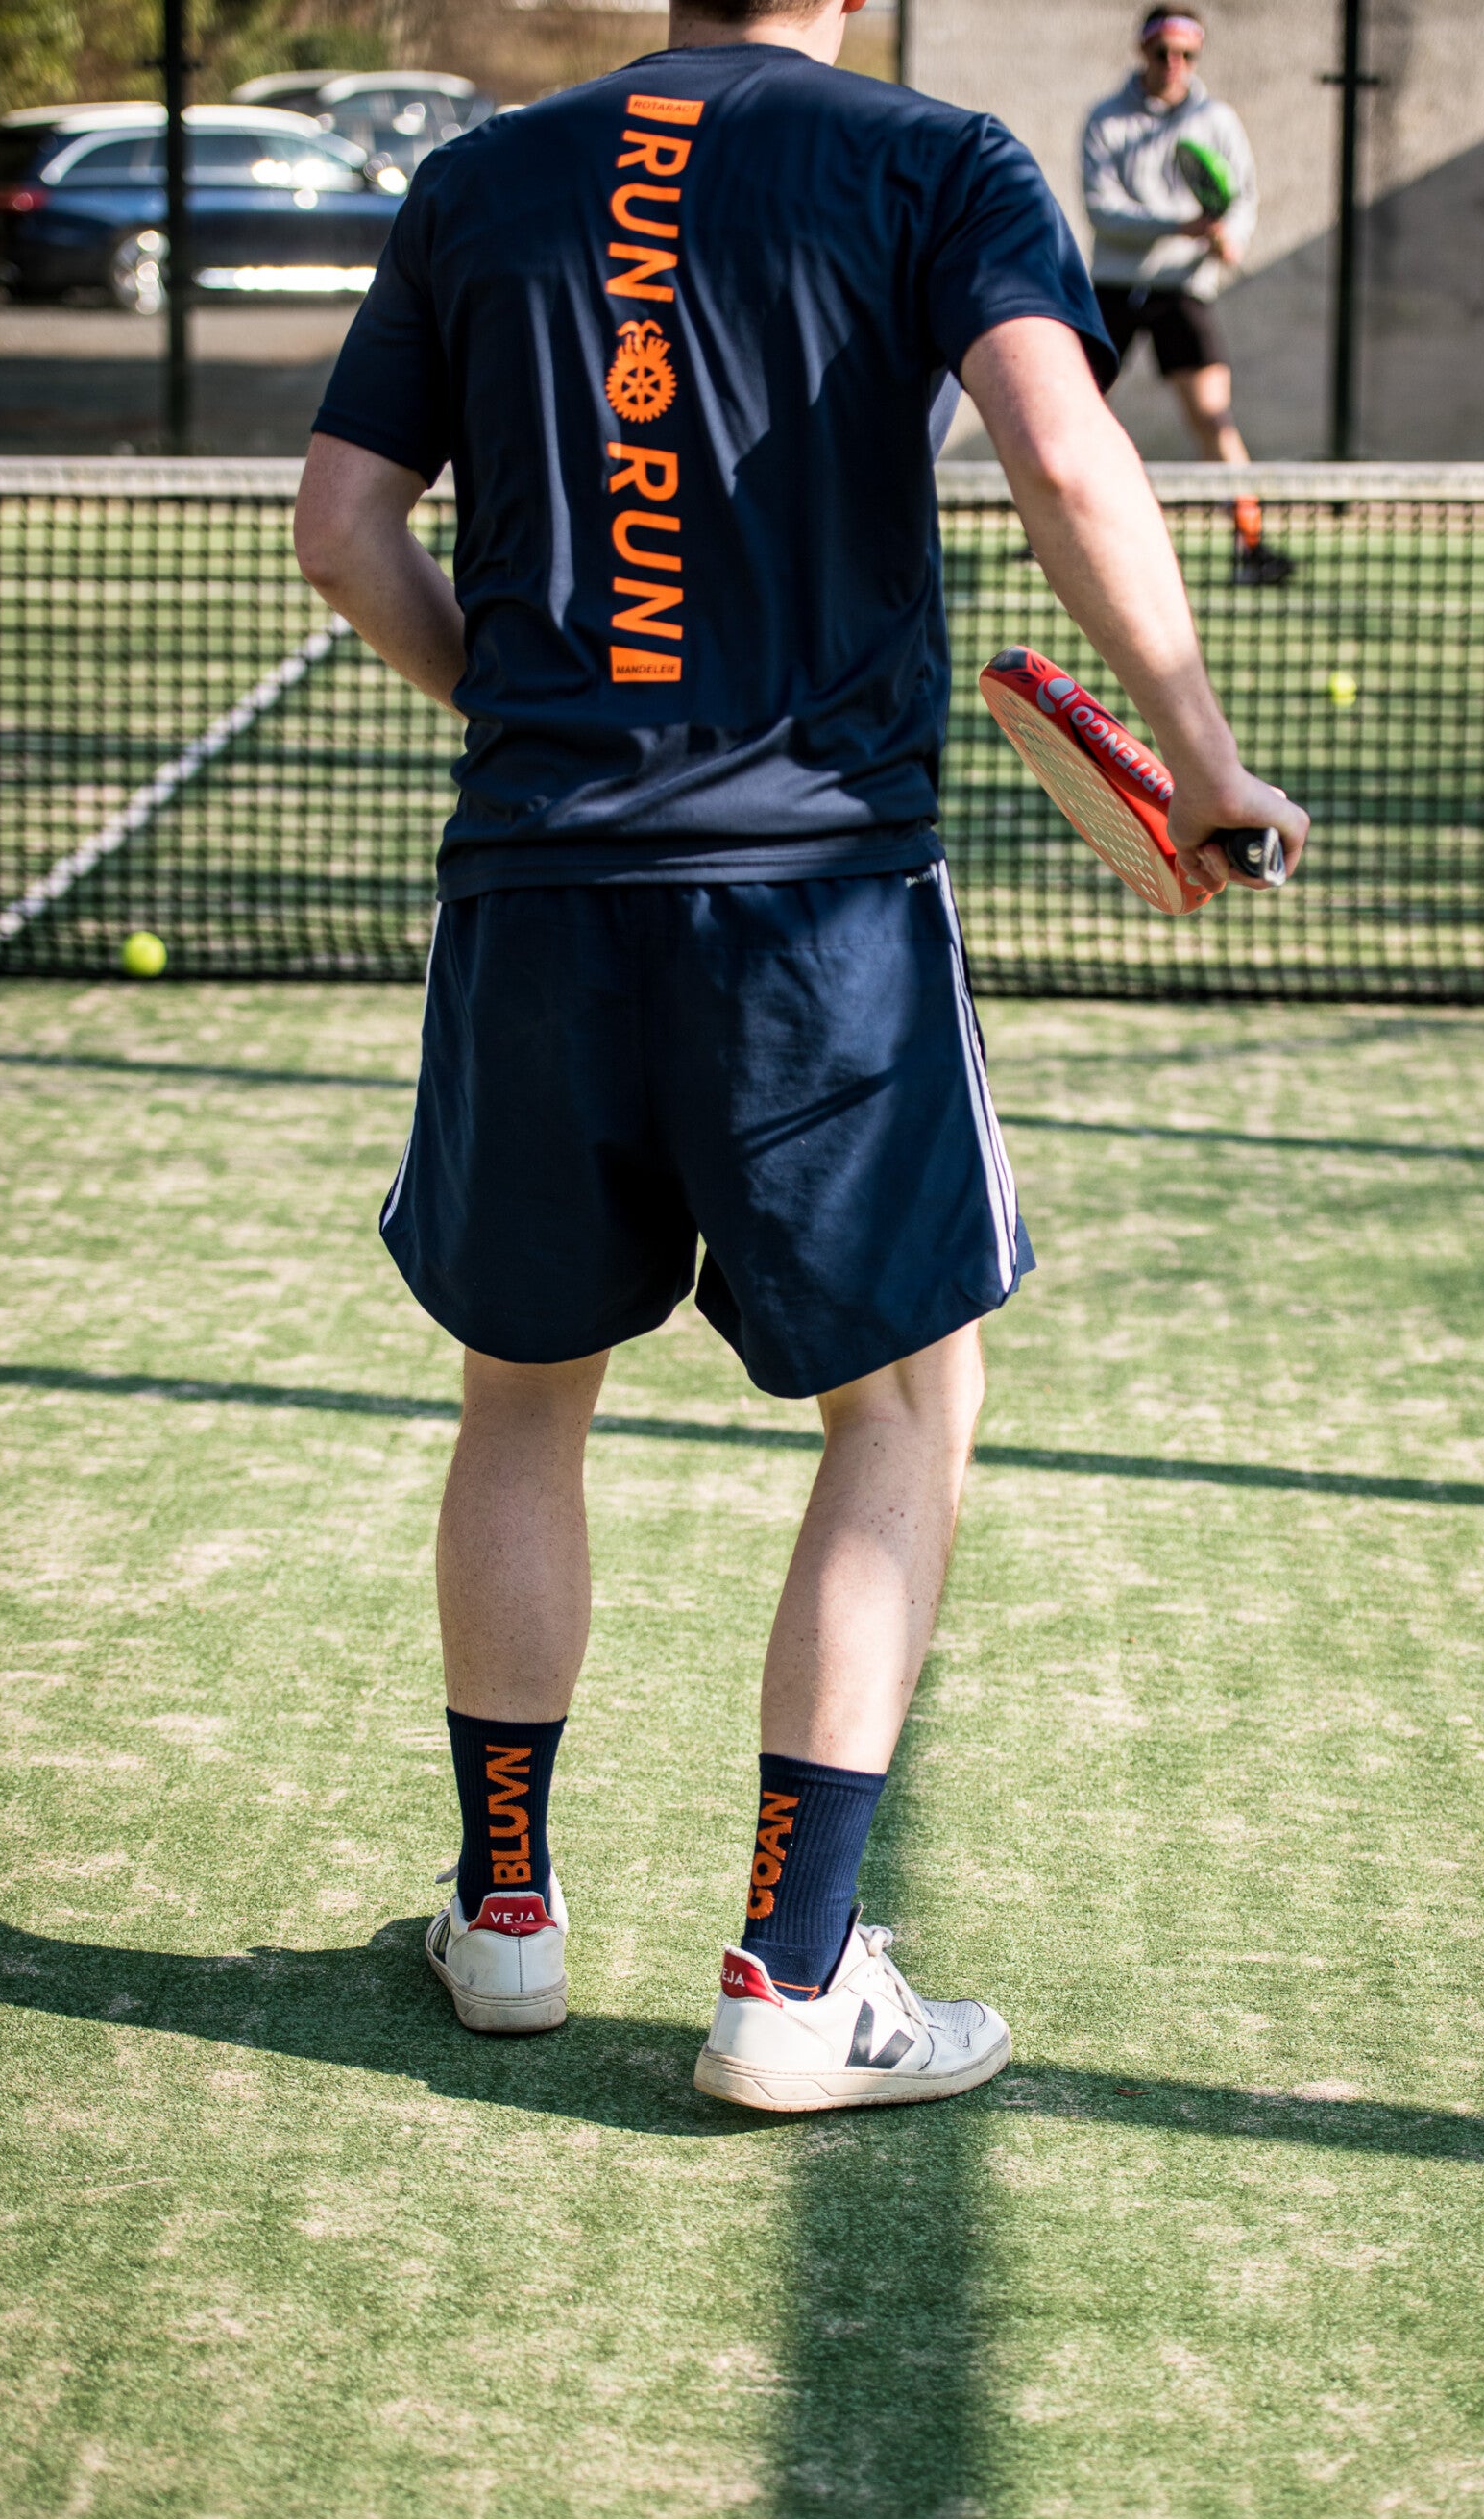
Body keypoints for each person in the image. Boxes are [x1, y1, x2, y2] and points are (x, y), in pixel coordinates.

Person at [292, 0, 1307, 2114]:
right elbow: (1061, 450)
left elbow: (344, 528)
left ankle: (504, 1918)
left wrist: (539, 722)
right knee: (906, 1409)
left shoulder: (479, 178)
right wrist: (1200, 757)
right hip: (818, 909)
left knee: (522, 1398)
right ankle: (794, 1975)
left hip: (537, 890)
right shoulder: (941, 162)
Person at [1082, 6, 1295, 584]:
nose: (1174, 63)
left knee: (1212, 417)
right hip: (1115, 286)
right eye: (1162, 52)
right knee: (1077, 411)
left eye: (1187, 54)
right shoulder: (1105, 118)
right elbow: (1102, 210)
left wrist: (1232, 239)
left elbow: (1242, 198)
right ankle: (1050, 535)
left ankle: (1251, 548)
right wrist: (1182, 225)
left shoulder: (1216, 119)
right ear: (1143, 51)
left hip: (1183, 288)